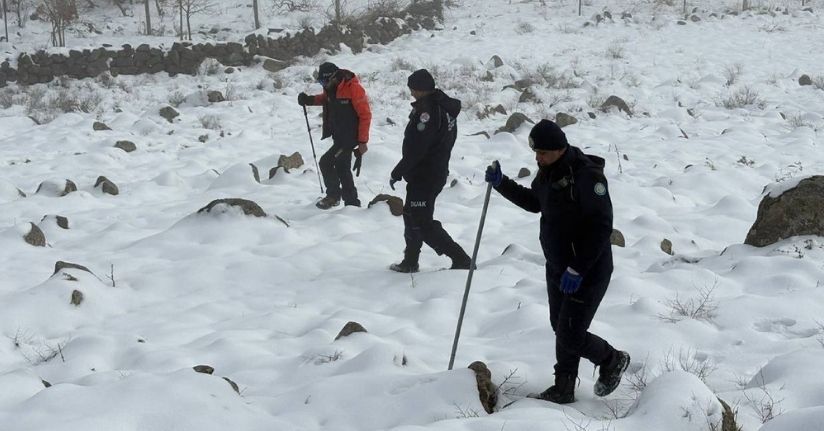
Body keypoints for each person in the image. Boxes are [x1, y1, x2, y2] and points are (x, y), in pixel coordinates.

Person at [484, 119, 630, 404]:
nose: (538, 158)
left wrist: (578, 268)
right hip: (558, 266)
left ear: (559, 149)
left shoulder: (587, 177)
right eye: (535, 153)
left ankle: (613, 359)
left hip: (588, 269)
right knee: (560, 326)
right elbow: (535, 202)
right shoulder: (548, 172)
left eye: (543, 153)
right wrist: (502, 184)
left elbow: (602, 226)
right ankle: (563, 387)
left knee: (571, 333)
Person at [388, 69, 472, 273]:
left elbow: (418, 147)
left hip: (426, 174)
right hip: (431, 171)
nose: (411, 94)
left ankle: (461, 260)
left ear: (419, 89)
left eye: (412, 89)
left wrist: (398, 171)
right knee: (411, 214)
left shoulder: (429, 111)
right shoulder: (444, 106)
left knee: (422, 222)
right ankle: (410, 261)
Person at [298, 62, 372, 209]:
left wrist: (362, 142)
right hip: (339, 136)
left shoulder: (353, 88)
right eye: (320, 82)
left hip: (349, 138)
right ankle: (352, 203)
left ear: (333, 76)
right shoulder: (332, 87)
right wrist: (309, 100)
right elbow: (325, 99)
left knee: (325, 162)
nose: (323, 84)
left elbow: (365, 115)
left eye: (323, 81)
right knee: (342, 167)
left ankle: (333, 196)